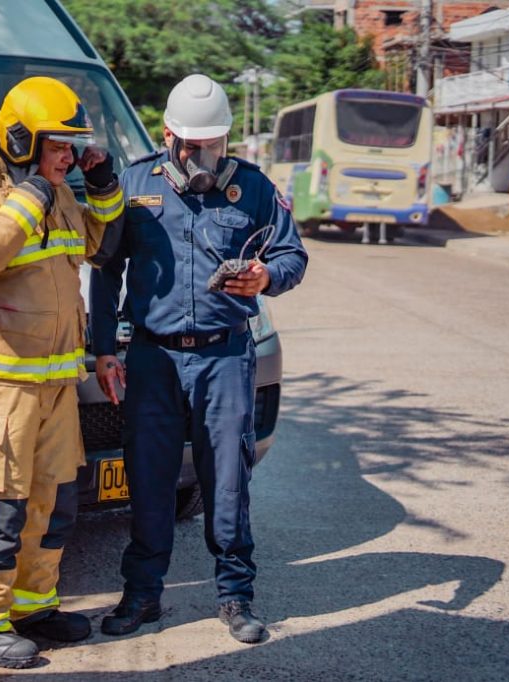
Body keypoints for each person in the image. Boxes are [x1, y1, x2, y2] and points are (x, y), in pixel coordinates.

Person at [89, 73, 308, 644]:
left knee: (228, 481)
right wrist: (102, 350)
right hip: (153, 360)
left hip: (225, 357)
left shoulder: (255, 188)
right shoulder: (135, 184)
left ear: (226, 138)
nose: (201, 155)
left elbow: (291, 254)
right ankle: (142, 595)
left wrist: (267, 274)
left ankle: (236, 596)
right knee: (149, 478)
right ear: (168, 135)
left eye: (212, 144)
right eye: (191, 144)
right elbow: (106, 267)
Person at [0, 76, 125, 669]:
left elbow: (97, 246)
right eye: (60, 146)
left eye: (74, 147)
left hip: (53, 387)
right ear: (21, 140)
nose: (69, 156)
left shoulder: (57, 187)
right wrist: (30, 197)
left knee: (54, 502)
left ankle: (32, 606)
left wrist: (103, 187)